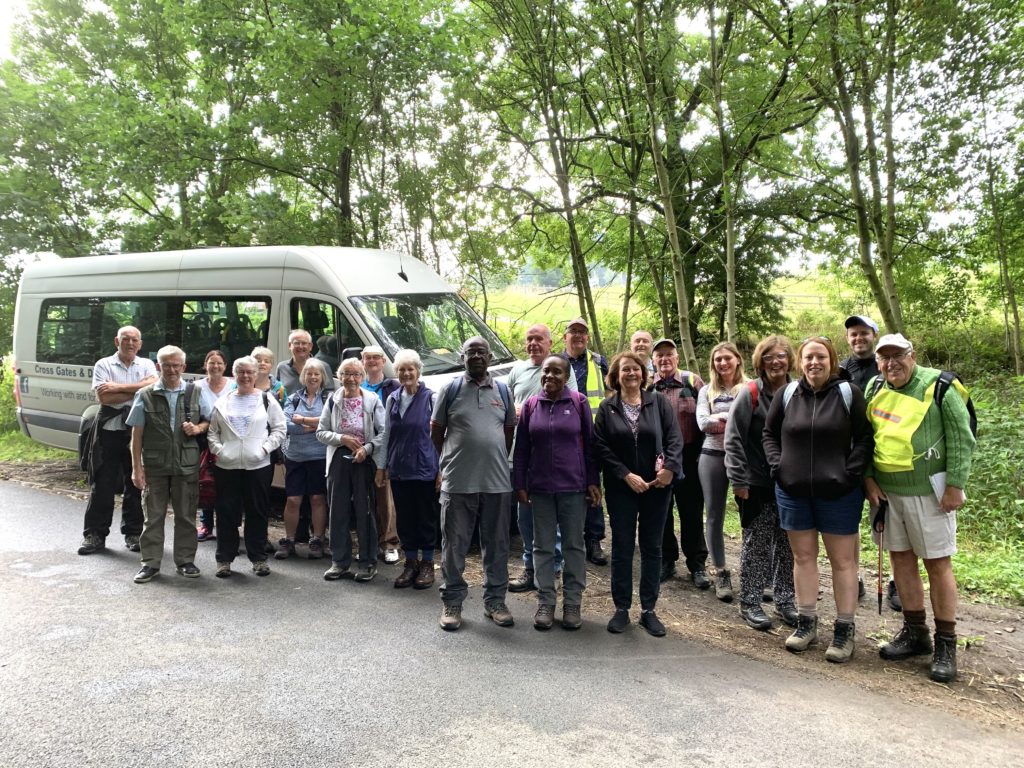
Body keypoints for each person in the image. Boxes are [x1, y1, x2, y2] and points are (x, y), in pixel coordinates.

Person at [865, 334, 975, 683]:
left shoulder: (940, 385)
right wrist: (868, 479)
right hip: (887, 493)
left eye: (897, 356)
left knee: (938, 563)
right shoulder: (873, 387)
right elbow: (865, 438)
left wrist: (956, 484)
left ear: (912, 356)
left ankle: (946, 643)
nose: (890, 364)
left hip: (930, 493)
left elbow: (961, 436)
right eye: (884, 358)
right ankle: (916, 634)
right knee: (900, 559)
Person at [763, 336, 871, 663]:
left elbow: (865, 438)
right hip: (793, 492)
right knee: (803, 558)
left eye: (820, 357)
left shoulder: (848, 394)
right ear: (801, 362)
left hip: (839, 494)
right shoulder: (787, 394)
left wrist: (850, 474)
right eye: (808, 357)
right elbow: (770, 434)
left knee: (843, 562)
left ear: (832, 360)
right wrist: (778, 468)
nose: (814, 363)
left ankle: (844, 629)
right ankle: (806, 623)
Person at [594, 352, 683, 637]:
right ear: (616, 376)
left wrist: (669, 469)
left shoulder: (658, 403)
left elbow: (674, 438)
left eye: (635, 369)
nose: (631, 374)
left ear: (643, 374)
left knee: (651, 547)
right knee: (621, 547)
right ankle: (621, 608)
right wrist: (625, 474)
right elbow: (601, 447)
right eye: (625, 370)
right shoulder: (607, 408)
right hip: (622, 488)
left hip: (656, 487)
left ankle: (648, 610)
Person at [431, 337, 516, 631]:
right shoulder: (450, 389)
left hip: (497, 482)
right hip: (458, 482)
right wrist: (450, 461)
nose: (476, 356)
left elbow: (508, 432)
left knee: (497, 545)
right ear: (462, 356)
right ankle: (452, 602)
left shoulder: (503, 390)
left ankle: (495, 601)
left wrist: (490, 457)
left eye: (481, 351)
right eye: (471, 352)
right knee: (454, 545)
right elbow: (436, 430)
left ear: (490, 356)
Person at [513, 356, 600, 630]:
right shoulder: (531, 406)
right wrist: (520, 484)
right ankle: (546, 601)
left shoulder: (578, 402)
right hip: (539, 489)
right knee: (542, 546)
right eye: (546, 371)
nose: (550, 376)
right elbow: (523, 448)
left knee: (574, 546)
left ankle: (573, 602)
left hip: (573, 488)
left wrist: (592, 481)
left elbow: (590, 445)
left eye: (557, 372)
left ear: (566, 376)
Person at [723, 336, 798, 630]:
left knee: (788, 544)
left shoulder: (799, 391)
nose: (775, 362)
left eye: (780, 356)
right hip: (756, 482)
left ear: (789, 359)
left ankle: (785, 601)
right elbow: (733, 439)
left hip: (793, 484)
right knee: (756, 544)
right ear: (759, 361)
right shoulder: (750, 393)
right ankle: (751, 601)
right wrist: (738, 480)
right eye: (768, 357)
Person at [507, 323, 580, 592]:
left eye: (539, 339)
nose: (533, 344)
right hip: (523, 455)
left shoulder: (560, 368)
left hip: (556, 462)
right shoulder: (517, 370)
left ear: (550, 343)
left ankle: (555, 569)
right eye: (529, 339)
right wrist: (511, 409)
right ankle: (530, 568)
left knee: (554, 521)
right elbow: (503, 402)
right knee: (525, 516)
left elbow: (571, 400)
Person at [127, 346, 207, 583]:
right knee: (153, 516)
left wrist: (197, 428)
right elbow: (137, 434)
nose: (171, 369)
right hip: (155, 464)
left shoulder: (195, 392)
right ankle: (150, 563)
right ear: (158, 367)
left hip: (186, 464)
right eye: (166, 365)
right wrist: (136, 468)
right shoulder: (145, 394)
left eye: (176, 365)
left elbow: (208, 421)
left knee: (186, 515)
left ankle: (185, 561)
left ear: (183, 367)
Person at [78, 325, 158, 556]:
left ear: (140, 344)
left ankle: (133, 533)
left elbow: (151, 390)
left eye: (135, 339)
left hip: (137, 430)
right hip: (109, 430)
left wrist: (119, 388)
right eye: (126, 339)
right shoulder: (103, 364)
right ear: (117, 341)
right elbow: (104, 396)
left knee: (136, 482)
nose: (130, 343)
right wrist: (137, 390)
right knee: (102, 483)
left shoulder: (147, 365)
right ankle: (94, 534)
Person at [207, 355, 287, 578]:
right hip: (226, 465)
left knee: (257, 512)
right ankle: (224, 559)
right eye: (241, 372)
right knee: (226, 513)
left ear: (256, 374)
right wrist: (220, 451)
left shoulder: (267, 400)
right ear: (234, 374)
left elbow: (280, 429)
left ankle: (259, 558)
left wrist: (263, 450)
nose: (245, 376)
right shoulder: (223, 401)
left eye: (249, 372)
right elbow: (212, 432)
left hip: (258, 465)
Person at [840, 314, 897, 609]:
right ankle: (856, 577)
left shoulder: (887, 368)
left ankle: (895, 581)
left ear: (873, 335)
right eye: (853, 334)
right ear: (847, 338)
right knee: (849, 523)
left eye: (864, 333)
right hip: (847, 458)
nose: (858, 338)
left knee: (885, 521)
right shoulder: (840, 370)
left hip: (881, 457)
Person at [318, 358, 386, 582]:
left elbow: (384, 433)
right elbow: (321, 432)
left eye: (356, 374)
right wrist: (341, 439)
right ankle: (339, 562)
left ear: (363, 377)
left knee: (364, 510)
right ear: (339, 376)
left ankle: (367, 562)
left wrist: (366, 449)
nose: (351, 379)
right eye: (347, 374)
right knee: (337, 510)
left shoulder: (372, 400)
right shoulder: (333, 400)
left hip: (364, 459)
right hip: (339, 456)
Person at [377, 349, 440, 590]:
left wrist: (441, 469)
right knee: (405, 519)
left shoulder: (431, 398)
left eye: (410, 369)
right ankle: (410, 562)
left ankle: (427, 564)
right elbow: (387, 435)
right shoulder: (393, 398)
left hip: (425, 468)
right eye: (401, 370)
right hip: (400, 468)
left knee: (426, 518)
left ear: (418, 371)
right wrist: (382, 466)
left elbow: (441, 436)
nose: (406, 373)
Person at [649, 338, 709, 589]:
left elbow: (706, 414)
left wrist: (703, 453)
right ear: (653, 361)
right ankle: (667, 560)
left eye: (669, 354)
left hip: (689, 454)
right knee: (662, 511)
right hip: (658, 458)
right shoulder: (648, 386)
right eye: (659, 355)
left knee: (691, 511)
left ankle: (697, 564)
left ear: (677, 358)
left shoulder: (692, 381)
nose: (664, 359)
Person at [696, 341, 747, 601]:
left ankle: (753, 572)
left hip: (742, 458)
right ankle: (721, 571)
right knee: (713, 514)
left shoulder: (749, 388)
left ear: (737, 359)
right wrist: (730, 419)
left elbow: (749, 424)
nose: (723, 363)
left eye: (727, 358)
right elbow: (703, 423)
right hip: (711, 456)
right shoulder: (706, 390)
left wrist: (722, 418)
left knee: (749, 516)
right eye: (718, 360)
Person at [561, 317, 609, 566]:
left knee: (593, 484)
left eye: (582, 332)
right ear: (564, 337)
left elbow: (611, 394)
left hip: (592, 434)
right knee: (566, 485)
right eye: (573, 332)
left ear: (587, 338)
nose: (578, 336)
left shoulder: (599, 362)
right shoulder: (556, 362)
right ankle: (571, 539)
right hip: (564, 433)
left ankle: (594, 539)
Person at [276, 363, 330, 560]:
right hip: (295, 456)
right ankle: (289, 540)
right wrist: (312, 426)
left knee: (317, 498)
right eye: (309, 373)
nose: (313, 377)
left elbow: (329, 421)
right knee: (293, 499)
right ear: (303, 377)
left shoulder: (328, 398)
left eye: (316, 374)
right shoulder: (293, 398)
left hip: (320, 455)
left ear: (322, 377)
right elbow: (286, 425)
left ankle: (317, 540)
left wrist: (302, 420)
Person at [361, 345, 402, 565]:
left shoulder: (392, 386)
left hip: (383, 448)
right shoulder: (357, 382)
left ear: (383, 360)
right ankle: (368, 544)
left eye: (376, 357)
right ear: (362, 360)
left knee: (385, 498)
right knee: (363, 498)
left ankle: (390, 544)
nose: (372, 361)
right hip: (359, 449)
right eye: (368, 358)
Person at [195, 349, 232, 542]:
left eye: (219, 363)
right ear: (205, 365)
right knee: (206, 482)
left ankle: (227, 526)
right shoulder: (195, 387)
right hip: (203, 441)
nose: (215, 366)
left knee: (227, 484)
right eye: (211, 362)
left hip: (229, 441)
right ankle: (206, 524)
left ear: (225, 366)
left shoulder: (233, 385)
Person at [275, 329, 335, 397]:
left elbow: (329, 395)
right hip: (287, 407)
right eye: (297, 343)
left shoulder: (323, 366)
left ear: (310, 346)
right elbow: (278, 393)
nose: (300, 346)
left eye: (304, 343)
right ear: (289, 345)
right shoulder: (282, 367)